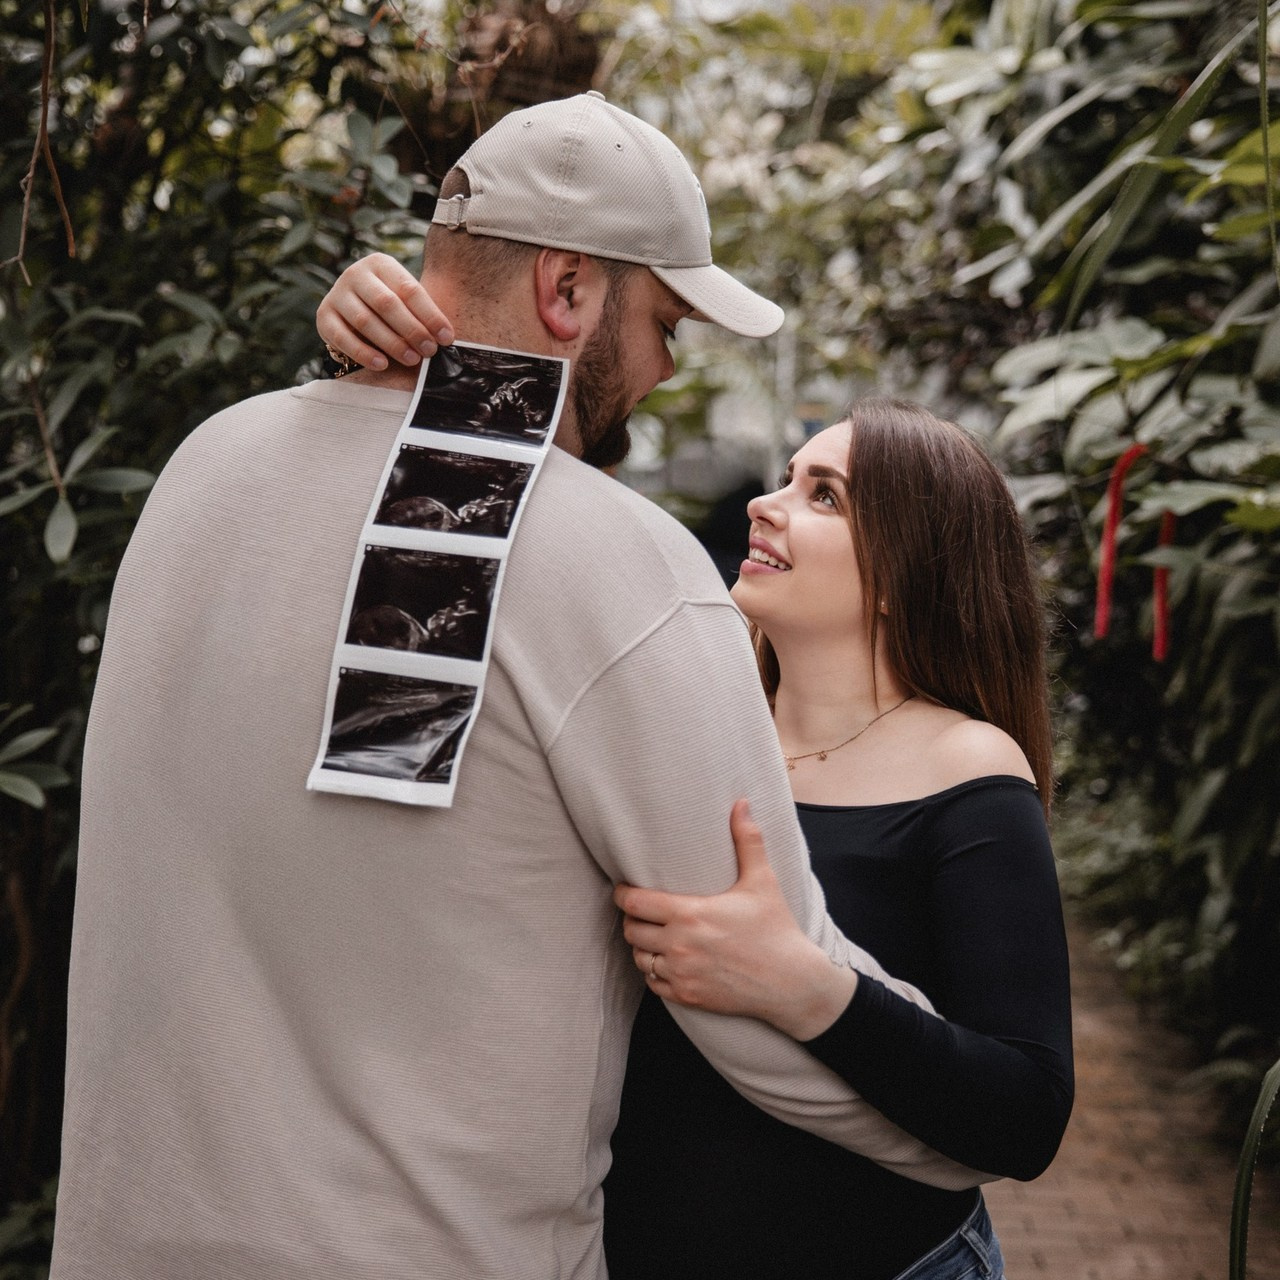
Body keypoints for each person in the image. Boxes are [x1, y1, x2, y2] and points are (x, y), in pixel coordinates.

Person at [51, 94, 984, 1280]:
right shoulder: (619, 562)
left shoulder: (199, 467)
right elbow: (761, 1018)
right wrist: (964, 1139)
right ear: (567, 292)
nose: (658, 367)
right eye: (663, 322)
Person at [318, 247, 1074, 1278]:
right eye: (787, 479)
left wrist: (805, 985)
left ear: (909, 570)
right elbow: (436, 598)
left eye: (824, 495)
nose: (765, 503)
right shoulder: (682, 712)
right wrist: (381, 366)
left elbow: (1023, 1112)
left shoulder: (965, 768)